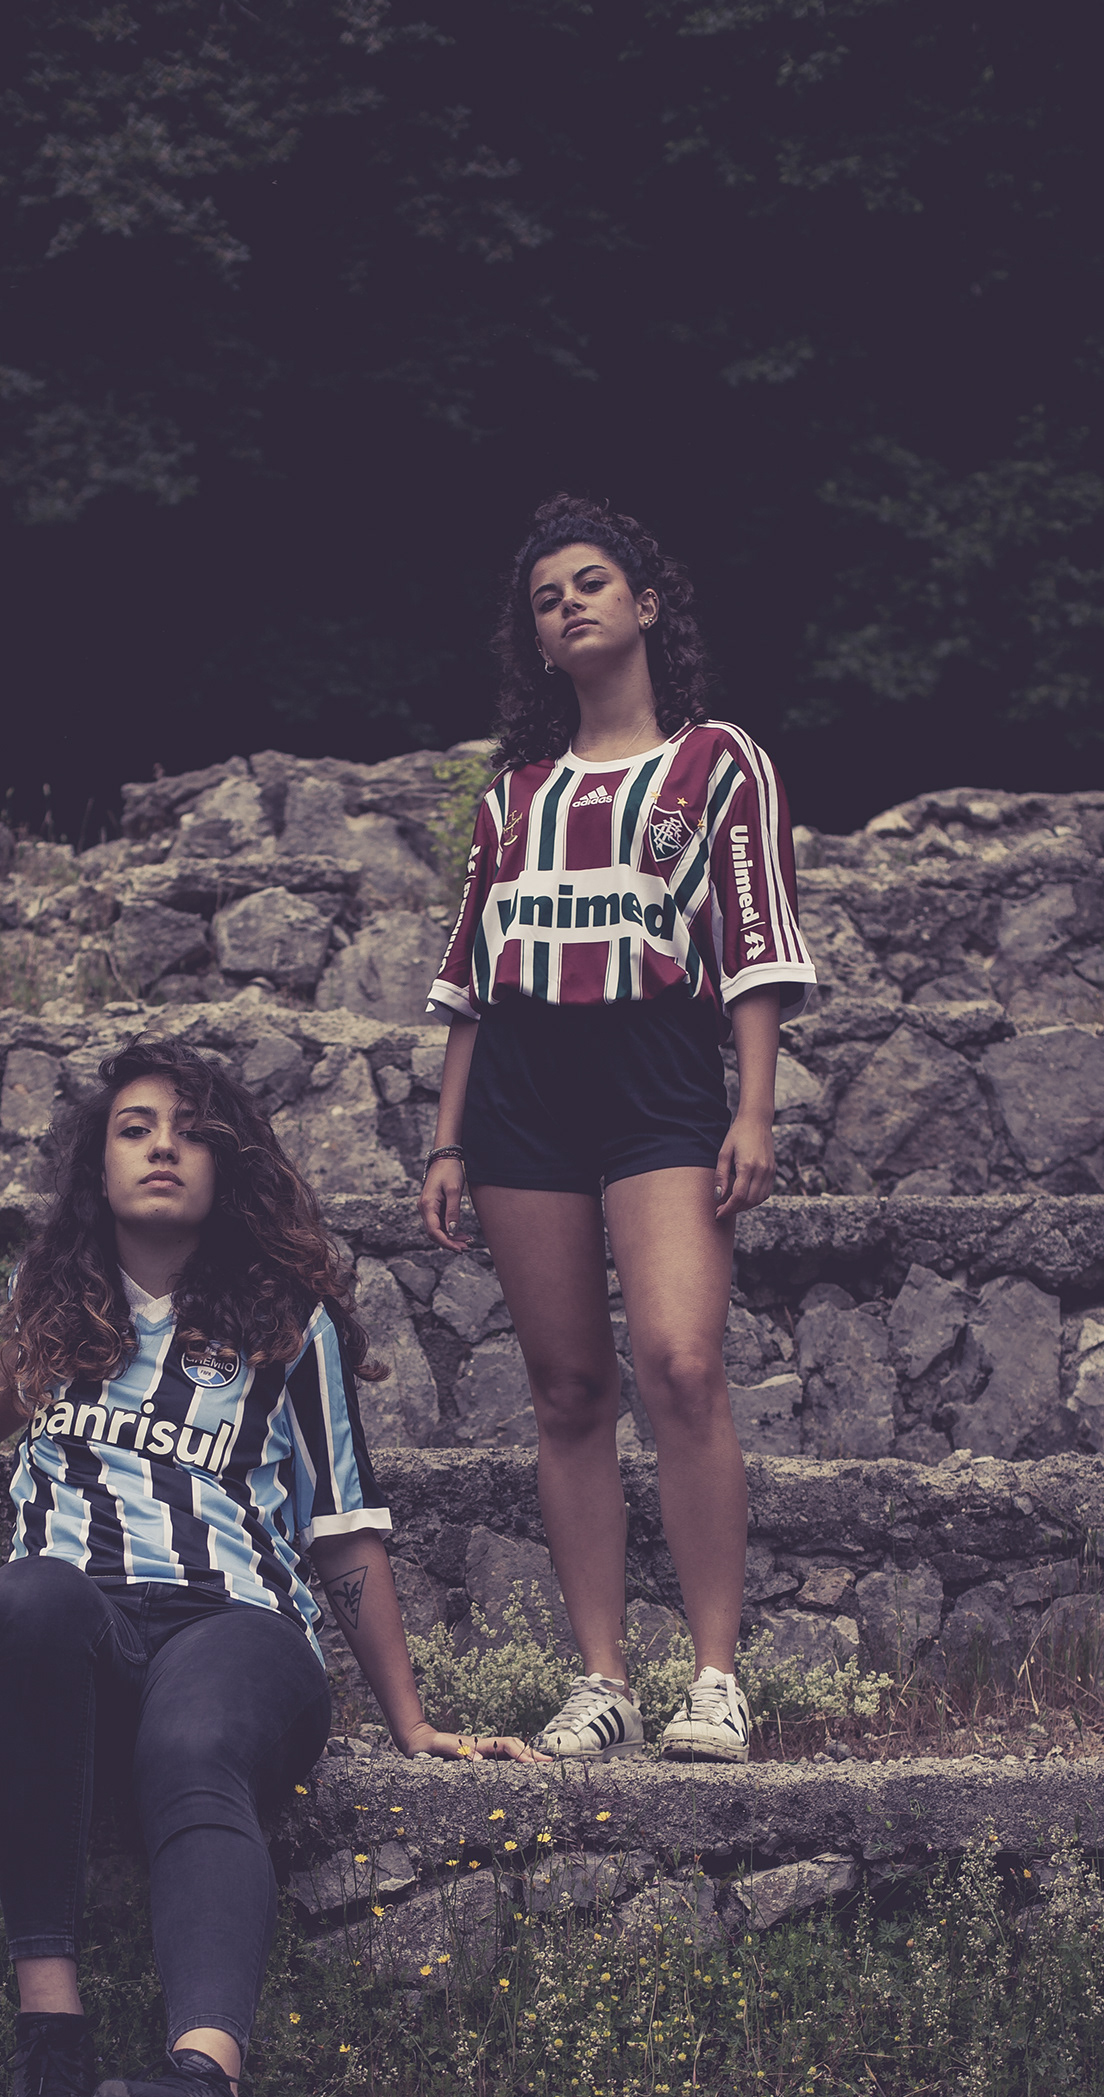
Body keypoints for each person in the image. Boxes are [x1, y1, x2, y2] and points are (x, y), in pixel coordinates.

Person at [0, 1037, 531, 2097]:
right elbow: (16, 1389)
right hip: (79, 1625)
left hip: (235, 1627)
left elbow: (343, 1529)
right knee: (22, 1599)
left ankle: (204, 2094)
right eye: (134, 1129)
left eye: (188, 1132)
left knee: (191, 1745)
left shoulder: (289, 1325)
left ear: (227, 1164)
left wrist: (413, 1723)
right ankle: (51, 2042)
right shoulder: (53, 1306)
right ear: (98, 1165)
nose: (162, 1149)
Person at [418, 493, 817, 1764]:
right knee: (568, 1390)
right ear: (534, 640)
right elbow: (471, 980)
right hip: (522, 1091)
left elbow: (754, 947)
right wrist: (448, 1140)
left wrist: (753, 1107)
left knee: (683, 1365)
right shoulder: (511, 799)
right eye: (546, 598)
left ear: (647, 605)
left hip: (659, 1080)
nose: (569, 605)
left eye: (591, 583)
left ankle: (715, 1677)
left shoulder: (718, 763)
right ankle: (603, 1681)